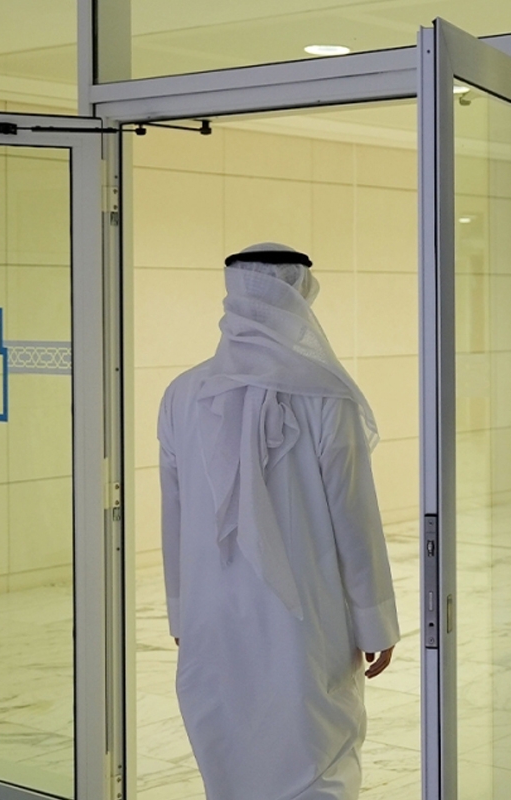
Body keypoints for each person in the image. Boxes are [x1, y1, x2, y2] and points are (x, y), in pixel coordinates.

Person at [158, 242, 400, 800]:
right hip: (303, 619)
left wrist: (181, 609)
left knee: (231, 745)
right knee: (313, 750)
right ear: (299, 296)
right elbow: (355, 519)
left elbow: (173, 516)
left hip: (211, 614)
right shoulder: (326, 397)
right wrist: (374, 622)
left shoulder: (182, 394)